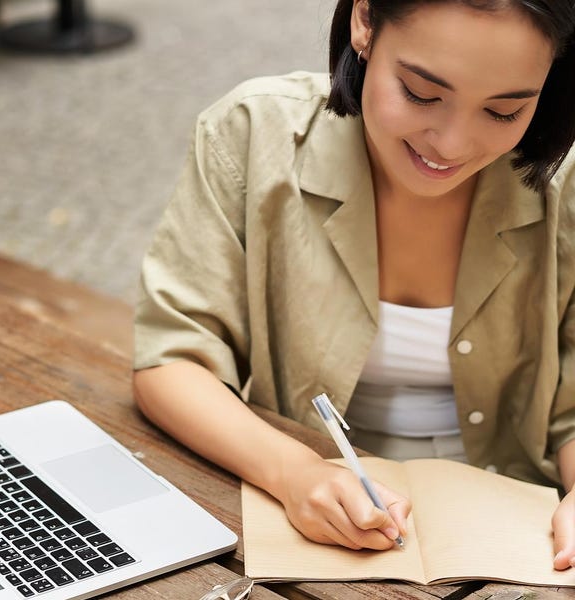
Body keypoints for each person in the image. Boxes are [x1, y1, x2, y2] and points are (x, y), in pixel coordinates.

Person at [132, 0, 575, 570]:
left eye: (504, 111)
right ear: (364, 21)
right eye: (421, 93)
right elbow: (171, 359)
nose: (453, 145)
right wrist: (294, 473)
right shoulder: (252, 134)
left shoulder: (564, 181)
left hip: (521, 532)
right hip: (309, 519)